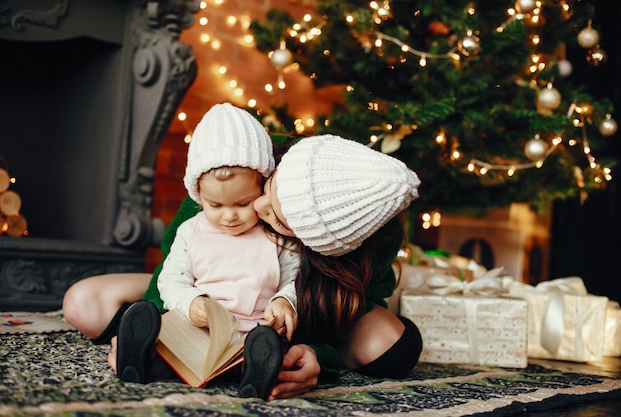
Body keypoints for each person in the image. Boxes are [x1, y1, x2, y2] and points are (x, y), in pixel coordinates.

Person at [63, 131, 423, 401]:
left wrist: (317, 357)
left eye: (279, 219)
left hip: (296, 297)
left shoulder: (372, 236)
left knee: (394, 348)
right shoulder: (237, 163)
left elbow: (341, 307)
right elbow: (174, 262)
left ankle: (263, 355)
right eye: (267, 190)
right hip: (204, 282)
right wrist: (159, 329)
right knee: (83, 302)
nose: (259, 208)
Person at [114, 103, 299, 400]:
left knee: (269, 348)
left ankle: (254, 375)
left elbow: (296, 280)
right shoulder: (191, 230)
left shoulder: (275, 235)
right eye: (216, 205)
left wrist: (284, 300)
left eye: (242, 203)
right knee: (169, 344)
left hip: (252, 332)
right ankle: (140, 358)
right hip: (197, 330)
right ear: (199, 196)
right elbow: (170, 279)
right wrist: (190, 302)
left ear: (262, 187)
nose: (229, 216)